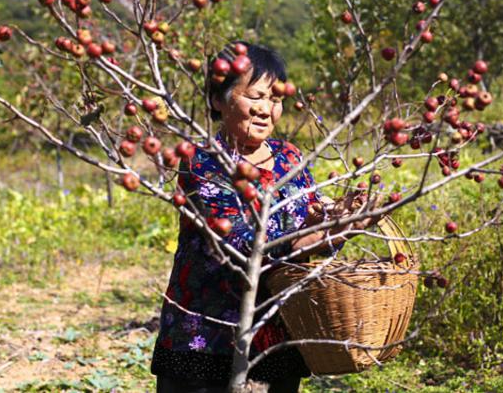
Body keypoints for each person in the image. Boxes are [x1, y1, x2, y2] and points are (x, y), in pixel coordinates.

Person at [150, 42, 380, 392]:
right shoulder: (203, 161)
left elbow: (312, 239)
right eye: (255, 96)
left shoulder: (290, 158)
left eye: (275, 99)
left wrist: (337, 219)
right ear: (217, 100)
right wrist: (331, 233)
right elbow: (242, 248)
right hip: (203, 330)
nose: (266, 110)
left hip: (277, 326)